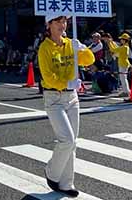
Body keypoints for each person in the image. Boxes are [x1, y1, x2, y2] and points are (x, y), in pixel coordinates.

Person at [38, 14, 95, 198]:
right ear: (49, 25)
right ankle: (52, 172)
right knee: (67, 140)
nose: (63, 25)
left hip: (72, 98)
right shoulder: (44, 48)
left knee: (73, 143)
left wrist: (83, 49)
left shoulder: (71, 43)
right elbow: (47, 77)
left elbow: (89, 60)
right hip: (53, 98)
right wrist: (66, 84)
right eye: (58, 21)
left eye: (64, 21)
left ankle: (66, 183)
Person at [103, 33, 132, 97]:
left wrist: (109, 42)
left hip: (123, 64)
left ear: (124, 40)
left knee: (123, 78)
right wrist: (111, 42)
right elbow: (116, 49)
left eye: (121, 39)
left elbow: (113, 50)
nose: (120, 40)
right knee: (123, 78)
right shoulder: (125, 47)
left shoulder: (124, 47)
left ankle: (126, 91)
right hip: (123, 64)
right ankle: (126, 91)